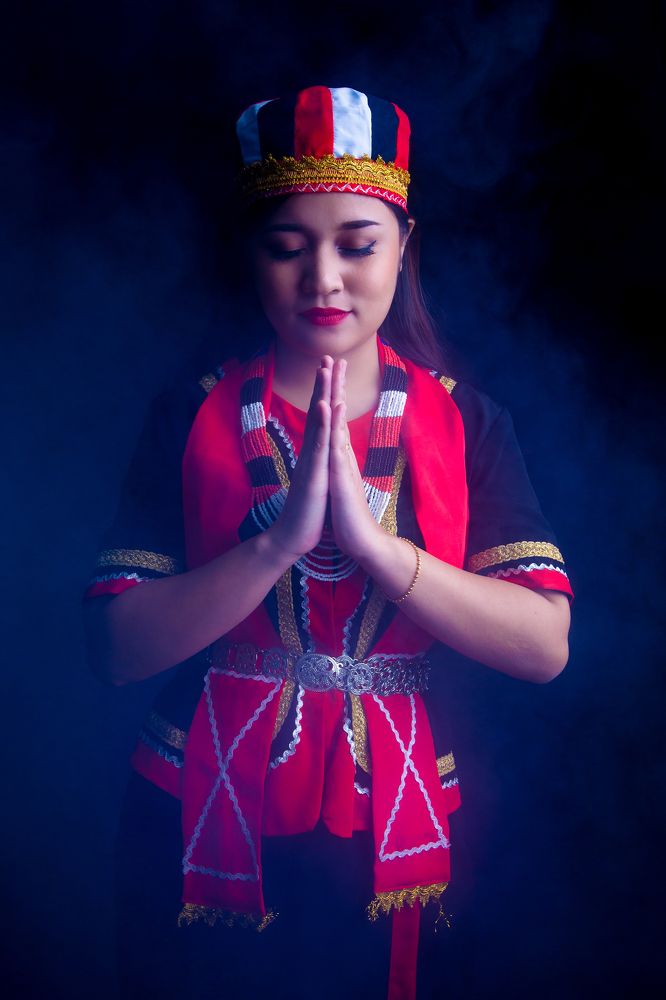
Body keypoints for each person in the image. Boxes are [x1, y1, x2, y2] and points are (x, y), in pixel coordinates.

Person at [84, 86, 573, 1000]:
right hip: (190, 808)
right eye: (287, 246)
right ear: (252, 257)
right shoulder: (191, 413)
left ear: (403, 247)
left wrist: (383, 553)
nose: (323, 281)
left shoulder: (468, 424)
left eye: (357, 245)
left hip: (402, 823)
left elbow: (546, 647)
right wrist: (273, 548)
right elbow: (113, 651)